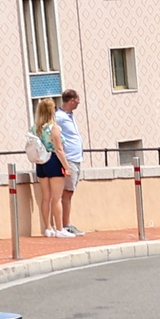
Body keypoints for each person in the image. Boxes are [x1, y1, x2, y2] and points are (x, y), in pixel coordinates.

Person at [29, 97, 67, 236]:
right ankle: (60, 229)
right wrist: (66, 167)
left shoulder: (35, 128)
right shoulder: (53, 128)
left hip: (41, 162)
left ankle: (48, 228)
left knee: (45, 197)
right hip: (53, 160)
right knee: (57, 198)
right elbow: (59, 149)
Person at [54, 89, 85, 236]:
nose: (79, 102)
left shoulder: (69, 116)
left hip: (76, 158)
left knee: (70, 192)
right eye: (77, 99)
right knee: (67, 192)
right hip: (69, 158)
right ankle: (65, 224)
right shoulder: (59, 117)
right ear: (71, 100)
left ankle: (66, 224)